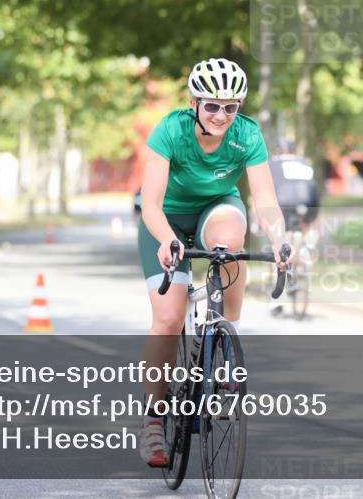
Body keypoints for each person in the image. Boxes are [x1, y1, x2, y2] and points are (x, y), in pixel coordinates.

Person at [136, 57, 292, 467]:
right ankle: (154, 420)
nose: (222, 115)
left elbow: (267, 202)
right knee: (169, 319)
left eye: (231, 107)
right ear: (194, 103)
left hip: (216, 208)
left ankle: (226, 339)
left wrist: (280, 238)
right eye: (212, 106)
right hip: (165, 218)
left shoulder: (248, 135)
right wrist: (168, 240)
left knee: (230, 243)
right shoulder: (171, 129)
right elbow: (150, 203)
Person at [266, 143, 320, 315]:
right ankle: (307, 251)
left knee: (282, 242)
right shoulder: (304, 162)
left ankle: (277, 299)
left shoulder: (274, 163)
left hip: (284, 200)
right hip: (309, 199)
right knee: (310, 224)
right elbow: (313, 186)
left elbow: (266, 191)